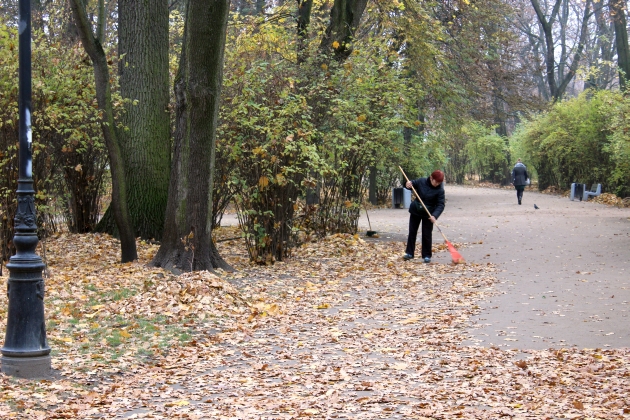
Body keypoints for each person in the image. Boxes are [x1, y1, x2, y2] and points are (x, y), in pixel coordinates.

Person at [403, 170, 445, 263]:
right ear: (431, 178)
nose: (437, 184)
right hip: (416, 210)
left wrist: (435, 215)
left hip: (429, 214)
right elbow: (411, 184)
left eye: (439, 182)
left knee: (427, 234)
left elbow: (440, 205)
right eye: (436, 181)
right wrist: (408, 184)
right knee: (412, 232)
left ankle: (426, 255)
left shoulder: (440, 190)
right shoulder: (422, 181)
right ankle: (409, 253)